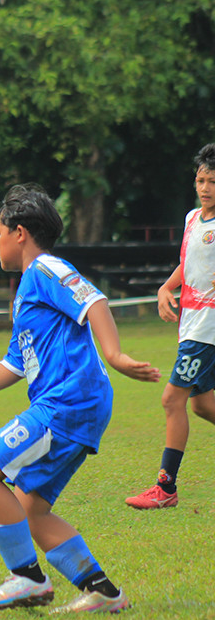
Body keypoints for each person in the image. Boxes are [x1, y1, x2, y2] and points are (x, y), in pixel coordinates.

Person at [0, 184, 159, 614]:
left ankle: (28, 580)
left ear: (19, 233)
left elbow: (94, 302)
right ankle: (105, 593)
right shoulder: (27, 292)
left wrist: (116, 356)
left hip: (68, 401)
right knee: (28, 510)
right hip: (71, 403)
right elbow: (15, 365)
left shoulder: (46, 268)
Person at [126, 143, 215, 510]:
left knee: (171, 399)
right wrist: (166, 287)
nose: (205, 187)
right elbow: (189, 263)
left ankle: (165, 488)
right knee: (204, 406)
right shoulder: (193, 219)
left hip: (207, 329)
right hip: (191, 324)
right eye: (200, 179)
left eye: (212, 181)